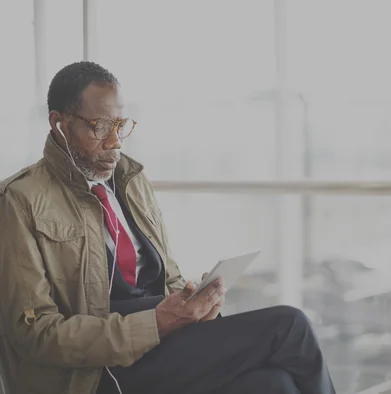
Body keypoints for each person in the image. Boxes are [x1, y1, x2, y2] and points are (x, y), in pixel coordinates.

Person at [0, 61, 335, 394]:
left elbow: (166, 278)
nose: (115, 141)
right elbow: (35, 334)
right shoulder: (19, 200)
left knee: (273, 385)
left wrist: (195, 305)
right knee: (290, 326)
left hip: (157, 343)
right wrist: (156, 324)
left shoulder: (131, 181)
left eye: (120, 125)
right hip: (93, 371)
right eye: (100, 126)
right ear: (59, 124)